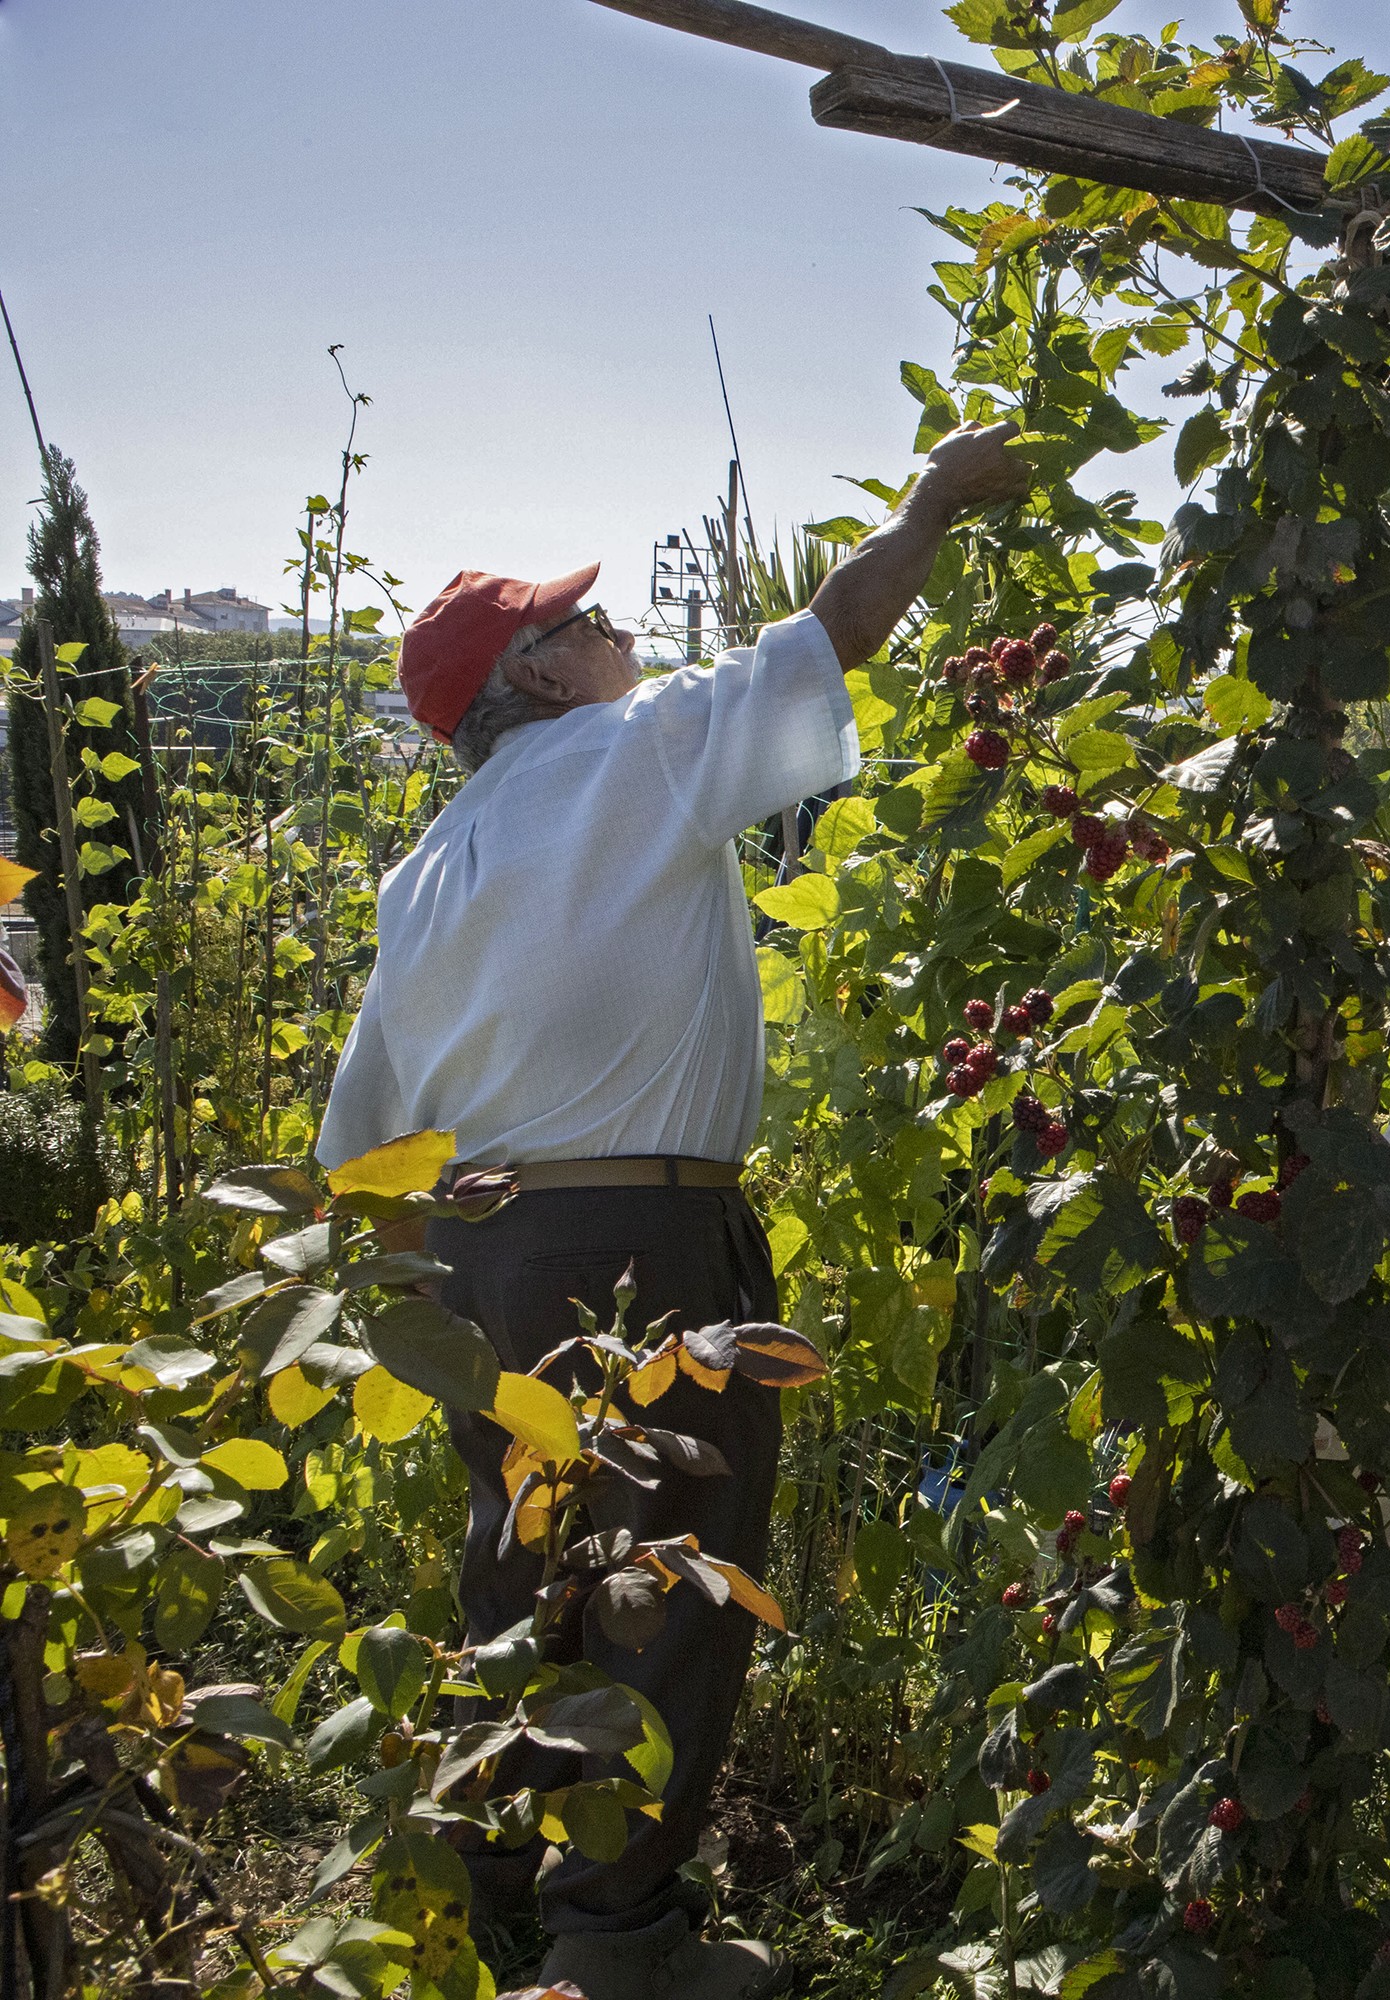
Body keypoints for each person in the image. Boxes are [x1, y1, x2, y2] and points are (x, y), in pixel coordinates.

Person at [319, 423, 1028, 2000]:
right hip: (635, 1247)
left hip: (471, 1253)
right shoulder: (627, 754)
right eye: (582, 622)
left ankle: (483, 1880)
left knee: (520, 1568)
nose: (615, 628)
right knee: (665, 1591)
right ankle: (622, 1948)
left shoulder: (427, 868)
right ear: (542, 678)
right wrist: (933, 504)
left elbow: (359, 1125)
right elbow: (829, 632)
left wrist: (416, 1304)